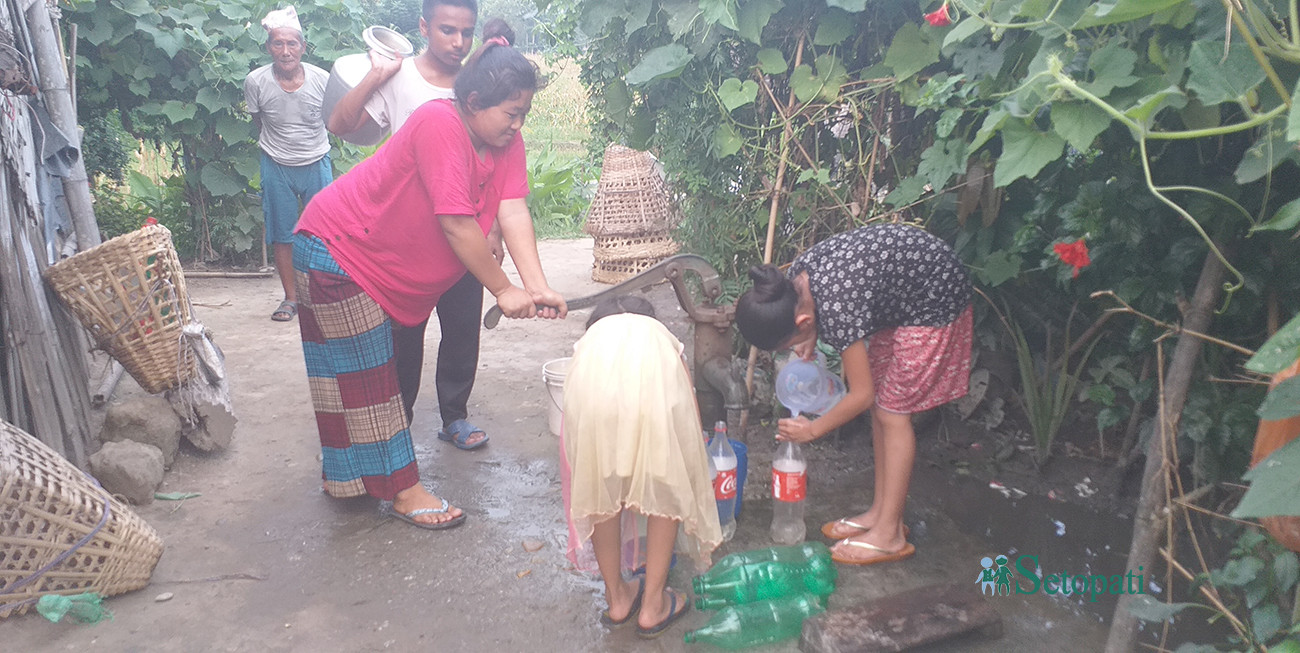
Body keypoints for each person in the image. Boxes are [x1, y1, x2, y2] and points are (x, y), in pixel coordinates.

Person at [293, 31, 565, 529]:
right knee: (370, 380)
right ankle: (403, 491)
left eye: (524, 112)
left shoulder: (504, 141)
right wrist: (504, 289)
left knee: (344, 377)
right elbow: (457, 223)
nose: (518, 123)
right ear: (474, 101)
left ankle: (349, 480)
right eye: (511, 112)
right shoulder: (440, 123)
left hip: (359, 260)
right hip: (340, 251)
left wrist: (536, 283)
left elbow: (512, 207)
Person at [735, 222, 973, 565]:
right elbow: (813, 319)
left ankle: (889, 534)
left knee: (892, 412)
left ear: (802, 321)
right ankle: (880, 513)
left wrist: (813, 429)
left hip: (934, 300)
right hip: (904, 300)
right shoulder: (797, 280)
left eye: (791, 342)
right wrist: (810, 335)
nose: (796, 347)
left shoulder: (838, 307)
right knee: (883, 407)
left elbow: (860, 394)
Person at [327, 0, 500, 451]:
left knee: (463, 328)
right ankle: (397, 426)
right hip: (407, 237)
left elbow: (495, 159)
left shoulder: (478, 83)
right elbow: (340, 125)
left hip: (465, 227)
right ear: (424, 26)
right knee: (405, 334)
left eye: (466, 32)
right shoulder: (401, 78)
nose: (458, 42)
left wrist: (495, 229)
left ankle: (455, 417)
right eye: (446, 30)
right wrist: (375, 75)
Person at [561, 296, 722, 638]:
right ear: (649, 317)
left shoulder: (587, 343)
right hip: (656, 411)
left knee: (602, 489)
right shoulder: (663, 338)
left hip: (593, 412)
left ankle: (617, 598)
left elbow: (570, 410)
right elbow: (690, 415)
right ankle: (653, 606)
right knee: (667, 490)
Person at [244, 6, 332, 322]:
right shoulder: (255, 81)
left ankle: (320, 297)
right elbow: (259, 121)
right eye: (278, 44)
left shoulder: (322, 80)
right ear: (269, 48)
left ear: (303, 47)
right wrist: (280, 149)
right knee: (283, 233)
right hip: (276, 163)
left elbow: (333, 119)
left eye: (292, 44)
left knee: (322, 233)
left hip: (316, 160)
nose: (285, 51)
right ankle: (291, 299)